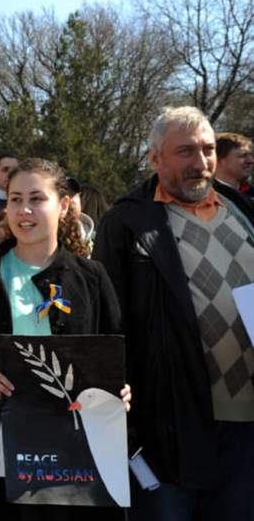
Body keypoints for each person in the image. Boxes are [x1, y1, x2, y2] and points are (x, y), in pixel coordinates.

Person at [94, 107, 254, 521]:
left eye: (208, 149)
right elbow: (109, 324)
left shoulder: (242, 210)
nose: (200, 163)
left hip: (246, 427)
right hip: (171, 428)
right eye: (185, 151)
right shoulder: (128, 222)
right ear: (154, 159)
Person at [0, 158, 130, 521]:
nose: (24, 210)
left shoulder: (93, 278)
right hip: (0, 451)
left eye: (37, 198)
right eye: (16, 199)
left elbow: (119, 351)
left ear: (63, 205)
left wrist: (123, 389)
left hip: (78, 458)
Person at [214, 132, 253, 200]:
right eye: (243, 155)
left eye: (251, 155)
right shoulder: (205, 197)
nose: (251, 160)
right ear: (219, 160)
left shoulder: (250, 193)